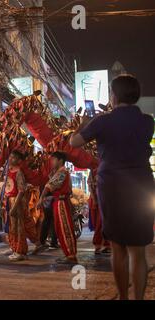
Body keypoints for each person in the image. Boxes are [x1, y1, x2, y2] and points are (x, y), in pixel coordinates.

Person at [70, 75, 154, 300]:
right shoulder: (147, 121)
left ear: (113, 96)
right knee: (139, 250)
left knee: (118, 247)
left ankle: (123, 298)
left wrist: (82, 126)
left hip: (113, 187)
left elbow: (73, 143)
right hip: (142, 185)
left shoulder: (102, 121)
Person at [37, 152, 77, 264]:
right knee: (60, 228)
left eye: (53, 159)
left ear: (60, 160)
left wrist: (41, 198)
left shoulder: (62, 172)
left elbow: (49, 186)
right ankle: (69, 254)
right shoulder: (58, 172)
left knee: (64, 228)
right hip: (58, 202)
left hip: (61, 202)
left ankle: (71, 255)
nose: (51, 162)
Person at [5, 150, 41, 261]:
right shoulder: (8, 171)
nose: (11, 159)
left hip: (17, 201)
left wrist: (15, 206)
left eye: (14, 158)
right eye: (10, 157)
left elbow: (21, 190)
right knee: (13, 226)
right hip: (10, 200)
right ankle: (15, 248)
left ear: (19, 161)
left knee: (19, 226)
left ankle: (20, 251)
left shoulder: (18, 172)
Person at [87, 169, 110, 255]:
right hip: (99, 199)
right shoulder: (94, 170)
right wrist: (94, 199)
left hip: (104, 199)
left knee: (104, 223)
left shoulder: (106, 167)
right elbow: (90, 186)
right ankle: (99, 245)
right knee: (99, 223)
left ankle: (106, 245)